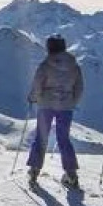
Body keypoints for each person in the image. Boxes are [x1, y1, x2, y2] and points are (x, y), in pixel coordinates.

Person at [26, 34, 83, 189]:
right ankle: (71, 173)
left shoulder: (45, 65)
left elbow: (37, 86)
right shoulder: (74, 66)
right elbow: (79, 88)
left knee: (41, 137)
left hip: (46, 105)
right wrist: (71, 102)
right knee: (64, 139)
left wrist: (33, 98)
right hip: (66, 107)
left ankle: (34, 170)